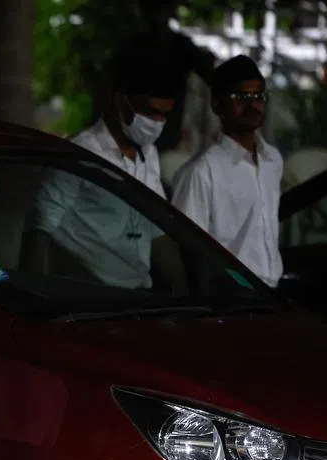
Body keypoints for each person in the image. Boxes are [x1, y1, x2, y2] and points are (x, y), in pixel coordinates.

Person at [31, 44, 183, 289]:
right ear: (120, 101)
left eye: (164, 116)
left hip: (139, 297)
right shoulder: (81, 153)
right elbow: (41, 229)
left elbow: (156, 230)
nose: (156, 123)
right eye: (149, 112)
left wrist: (184, 292)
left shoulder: (149, 154)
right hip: (90, 297)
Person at [171, 55, 283, 288]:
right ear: (217, 105)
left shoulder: (272, 160)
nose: (253, 104)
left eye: (259, 96)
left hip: (272, 297)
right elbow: (188, 252)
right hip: (229, 299)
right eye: (242, 97)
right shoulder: (200, 172)